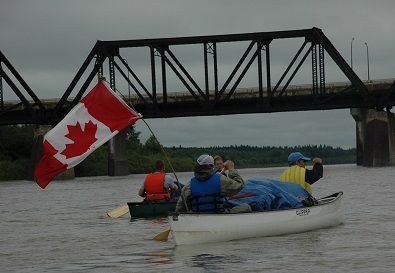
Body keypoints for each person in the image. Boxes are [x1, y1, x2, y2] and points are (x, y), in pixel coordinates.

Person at [175, 154, 251, 213]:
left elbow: (180, 208)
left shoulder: (189, 185)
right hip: (219, 216)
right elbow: (240, 184)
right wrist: (231, 169)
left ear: (198, 166)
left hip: (198, 218)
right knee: (246, 206)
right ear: (212, 166)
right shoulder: (220, 180)